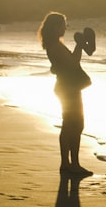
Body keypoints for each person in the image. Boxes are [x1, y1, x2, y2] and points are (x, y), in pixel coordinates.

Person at [38, 12, 94, 176]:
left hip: (66, 87)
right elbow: (72, 63)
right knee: (74, 125)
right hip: (68, 88)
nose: (65, 27)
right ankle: (72, 164)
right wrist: (80, 45)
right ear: (55, 26)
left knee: (70, 125)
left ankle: (67, 164)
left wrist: (80, 46)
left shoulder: (54, 44)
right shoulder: (55, 46)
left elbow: (68, 63)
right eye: (63, 24)